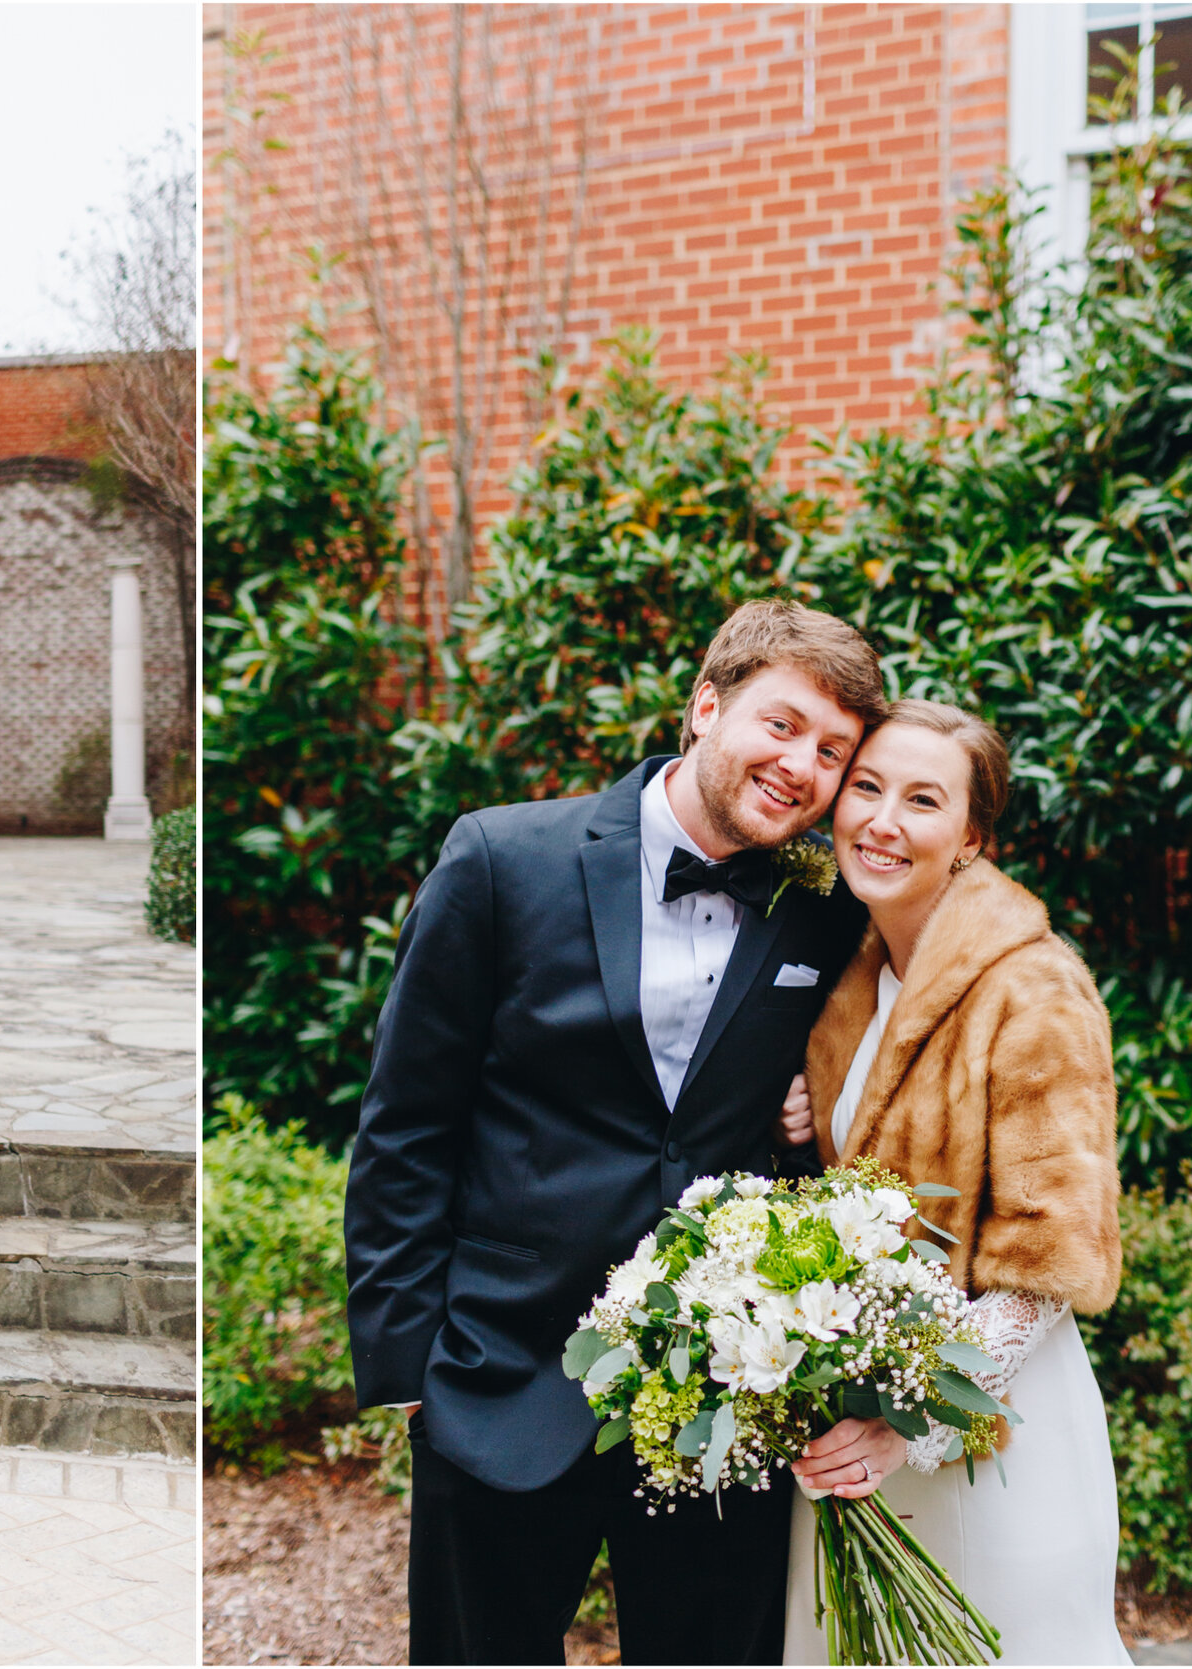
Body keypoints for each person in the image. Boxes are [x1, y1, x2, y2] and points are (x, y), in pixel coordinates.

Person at [347, 600, 888, 1665]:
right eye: (781, 726)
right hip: (497, 1373)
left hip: (725, 1402)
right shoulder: (504, 858)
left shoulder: (825, 911)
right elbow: (406, 1121)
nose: (801, 766)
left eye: (832, 752)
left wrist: (802, 1119)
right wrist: (408, 1369)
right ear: (704, 707)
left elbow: (847, 1096)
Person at [774, 700, 1127, 1665]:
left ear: (970, 837)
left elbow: (1049, 1257)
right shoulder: (848, 975)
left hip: (991, 1440)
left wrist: (908, 1417)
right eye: (867, 788)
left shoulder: (1034, 987)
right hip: (856, 1442)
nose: (883, 820)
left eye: (922, 799)